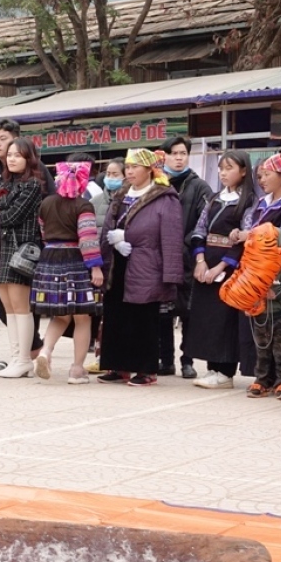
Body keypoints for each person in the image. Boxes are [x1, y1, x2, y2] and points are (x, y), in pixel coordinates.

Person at [97, 149, 183, 386]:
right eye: (128, 166)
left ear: (149, 170)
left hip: (147, 264)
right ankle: (119, 366)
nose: (130, 171)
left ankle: (146, 369)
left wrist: (129, 237)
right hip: (118, 262)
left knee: (143, 317)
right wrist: (111, 244)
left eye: (135, 166)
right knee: (116, 314)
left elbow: (171, 237)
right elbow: (107, 226)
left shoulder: (165, 198)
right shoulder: (122, 194)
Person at [235, 152, 281, 399]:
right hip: (255, 269)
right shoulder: (260, 203)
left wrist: (253, 236)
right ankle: (262, 376)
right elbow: (249, 227)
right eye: (260, 175)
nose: (262, 179)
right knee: (260, 331)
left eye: (267, 174)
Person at [185, 151, 256, 389]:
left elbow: (244, 240)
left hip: (229, 266)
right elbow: (199, 231)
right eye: (221, 168)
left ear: (244, 171)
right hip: (206, 263)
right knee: (205, 318)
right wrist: (200, 261)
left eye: (229, 168)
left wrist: (220, 266)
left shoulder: (248, 202)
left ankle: (225, 371)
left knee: (224, 318)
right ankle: (212, 367)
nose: (223, 173)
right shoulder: (215, 198)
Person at [30, 161, 103, 383]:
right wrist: (96, 267)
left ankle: (45, 352)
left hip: (49, 258)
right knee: (82, 318)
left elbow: (43, 232)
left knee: (59, 316)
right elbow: (88, 239)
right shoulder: (84, 206)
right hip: (75, 261)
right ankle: (76, 370)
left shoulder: (46, 204)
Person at [158, 136, 213, 379]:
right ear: (165, 156)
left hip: (189, 259)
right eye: (174, 153)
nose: (179, 157)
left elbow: (206, 221)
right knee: (163, 311)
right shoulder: (157, 184)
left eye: (183, 153)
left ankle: (187, 360)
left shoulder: (199, 186)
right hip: (160, 258)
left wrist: (185, 244)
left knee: (188, 312)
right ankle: (165, 359)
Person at [0, 137, 45, 378]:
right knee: (8, 308)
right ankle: (16, 358)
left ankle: (24, 358)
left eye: (17, 155)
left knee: (21, 307)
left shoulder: (33, 185)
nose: (11, 158)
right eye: (10, 154)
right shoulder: (6, 184)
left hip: (21, 249)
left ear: (29, 158)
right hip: (2, 248)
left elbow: (12, 215)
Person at [91, 157, 125, 228]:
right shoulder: (94, 201)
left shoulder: (132, 201)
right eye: (108, 174)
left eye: (115, 175)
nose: (110, 177)